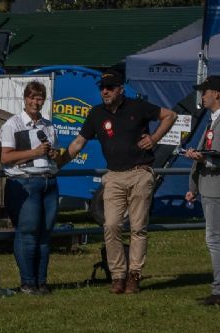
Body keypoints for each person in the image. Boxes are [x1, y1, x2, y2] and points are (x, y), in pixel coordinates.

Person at [59, 69, 177, 294]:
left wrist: (154, 138)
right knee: (111, 225)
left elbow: (170, 115)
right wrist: (56, 166)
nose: (105, 91)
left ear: (121, 89)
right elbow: (77, 144)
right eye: (102, 87)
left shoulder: (138, 107)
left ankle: (134, 275)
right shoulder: (96, 114)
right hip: (113, 176)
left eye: (110, 87)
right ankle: (117, 275)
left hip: (140, 172)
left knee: (138, 227)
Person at [183, 75, 220, 306]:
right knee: (216, 238)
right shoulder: (214, 120)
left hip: (218, 187)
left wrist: (206, 161)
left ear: (216, 94)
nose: (202, 95)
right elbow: (209, 153)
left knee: (214, 239)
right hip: (208, 186)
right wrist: (194, 186)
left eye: (205, 92)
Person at [0, 81, 60, 295]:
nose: (36, 102)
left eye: (40, 98)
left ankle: (41, 282)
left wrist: (54, 154)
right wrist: (33, 153)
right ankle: (27, 282)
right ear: (25, 99)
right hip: (24, 183)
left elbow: (56, 154)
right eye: (32, 97)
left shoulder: (49, 126)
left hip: (48, 182)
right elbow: (5, 157)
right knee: (28, 234)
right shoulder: (12, 125)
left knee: (45, 234)